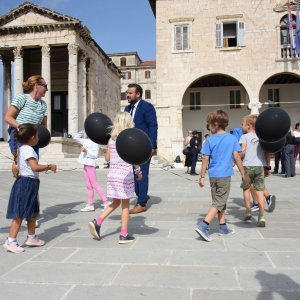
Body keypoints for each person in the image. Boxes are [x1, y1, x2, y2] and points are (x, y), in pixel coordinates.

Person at [88, 112, 142, 244]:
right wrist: (138, 170)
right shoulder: (129, 138)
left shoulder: (111, 139)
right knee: (125, 205)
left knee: (116, 202)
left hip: (113, 175)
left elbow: (107, 158)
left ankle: (98, 221)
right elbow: (133, 157)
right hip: (124, 175)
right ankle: (124, 234)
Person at [195, 110, 249, 242]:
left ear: (215, 124)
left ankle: (223, 227)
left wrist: (202, 176)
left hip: (213, 175)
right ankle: (204, 225)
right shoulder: (232, 139)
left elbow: (205, 159)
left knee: (219, 201)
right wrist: (243, 174)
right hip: (224, 175)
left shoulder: (209, 140)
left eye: (209, 124)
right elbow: (237, 157)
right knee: (220, 201)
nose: (208, 127)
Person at [3, 124, 56, 253]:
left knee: (32, 212)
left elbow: (18, 167)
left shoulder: (22, 148)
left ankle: (31, 237)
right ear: (33, 137)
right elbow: (35, 167)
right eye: (37, 135)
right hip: (26, 183)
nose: (39, 138)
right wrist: (49, 166)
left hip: (30, 183)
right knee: (19, 213)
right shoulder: (29, 149)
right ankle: (11, 241)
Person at [5, 75, 48, 228]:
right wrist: (21, 128)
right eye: (45, 86)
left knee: (32, 173)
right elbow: (8, 117)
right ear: (37, 85)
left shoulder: (43, 105)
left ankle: (30, 211)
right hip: (19, 137)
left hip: (33, 140)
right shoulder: (22, 98)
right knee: (22, 170)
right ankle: (20, 210)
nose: (47, 89)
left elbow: (44, 127)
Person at [124, 83, 158, 214]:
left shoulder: (147, 107)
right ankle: (142, 194)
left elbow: (153, 126)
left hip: (144, 146)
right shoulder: (127, 109)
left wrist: (152, 145)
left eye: (130, 93)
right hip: (130, 147)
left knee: (141, 174)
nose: (128, 95)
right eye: (127, 93)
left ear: (138, 94)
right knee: (133, 174)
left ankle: (142, 203)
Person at [239, 115, 272, 227]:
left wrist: (235, 157)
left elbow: (243, 151)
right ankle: (261, 216)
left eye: (242, 124)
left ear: (249, 126)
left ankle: (248, 210)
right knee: (260, 191)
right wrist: (267, 166)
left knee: (246, 189)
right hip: (259, 166)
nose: (241, 126)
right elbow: (267, 153)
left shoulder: (244, 137)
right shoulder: (262, 137)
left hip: (247, 166)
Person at [73, 131, 108, 212]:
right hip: (85, 165)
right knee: (89, 186)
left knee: (94, 184)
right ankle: (90, 204)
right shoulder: (86, 140)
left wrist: (86, 151)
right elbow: (75, 138)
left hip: (90, 165)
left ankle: (106, 202)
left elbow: (95, 155)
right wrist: (83, 131)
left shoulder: (96, 143)